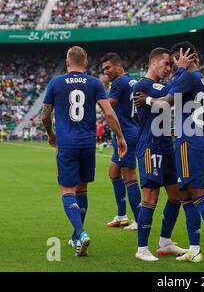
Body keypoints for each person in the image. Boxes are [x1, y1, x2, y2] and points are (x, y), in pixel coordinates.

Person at [135, 42, 204, 268]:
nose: (172, 67)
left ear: (185, 57)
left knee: (199, 196)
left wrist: (148, 100)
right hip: (201, 140)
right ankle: (194, 249)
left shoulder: (186, 77)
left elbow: (165, 102)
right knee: (184, 195)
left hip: (188, 143)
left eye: (174, 62)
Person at [41, 46, 127, 257]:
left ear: (67, 61)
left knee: (67, 191)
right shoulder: (95, 83)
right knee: (82, 191)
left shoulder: (55, 82)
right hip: (88, 143)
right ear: (86, 62)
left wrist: (50, 133)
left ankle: (80, 232)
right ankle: (75, 238)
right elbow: (109, 113)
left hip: (67, 143)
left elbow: (45, 115)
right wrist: (120, 137)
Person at [132, 47, 189, 261]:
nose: (169, 69)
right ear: (153, 61)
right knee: (151, 196)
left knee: (176, 196)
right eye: (166, 64)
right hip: (150, 147)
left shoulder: (159, 87)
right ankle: (141, 248)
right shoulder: (143, 85)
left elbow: (166, 104)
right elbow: (168, 97)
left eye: (171, 66)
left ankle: (165, 242)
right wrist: (182, 71)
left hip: (166, 146)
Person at [100, 53, 141, 231]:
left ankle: (140, 221)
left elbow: (107, 106)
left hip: (125, 134)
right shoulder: (131, 80)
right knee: (113, 173)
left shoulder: (118, 83)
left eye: (108, 67)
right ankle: (122, 216)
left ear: (119, 65)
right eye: (104, 69)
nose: (106, 71)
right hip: (127, 132)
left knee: (129, 177)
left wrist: (102, 87)